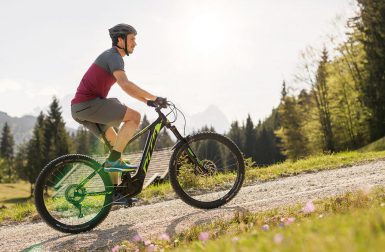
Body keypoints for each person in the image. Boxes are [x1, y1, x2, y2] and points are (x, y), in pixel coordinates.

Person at [71, 23, 167, 189]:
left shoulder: (111, 56)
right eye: (132, 39)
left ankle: (114, 191)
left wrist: (148, 101)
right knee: (134, 117)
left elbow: (126, 87)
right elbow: (125, 84)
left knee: (116, 149)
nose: (135, 43)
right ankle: (114, 162)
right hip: (88, 105)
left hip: (81, 109)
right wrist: (154, 97)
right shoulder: (114, 56)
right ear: (120, 40)